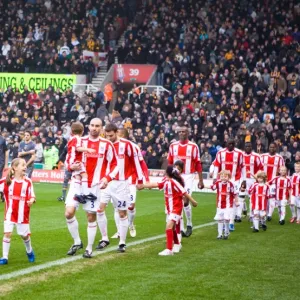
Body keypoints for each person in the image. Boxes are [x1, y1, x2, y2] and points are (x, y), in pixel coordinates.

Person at [64, 118, 118, 258]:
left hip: (94, 186)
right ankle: (77, 242)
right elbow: (67, 160)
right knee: (69, 213)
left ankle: (88, 248)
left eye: (97, 126)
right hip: (76, 183)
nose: (94, 128)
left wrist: (107, 178)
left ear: (101, 128)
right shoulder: (79, 141)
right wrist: (71, 167)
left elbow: (115, 164)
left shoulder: (106, 144)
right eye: (92, 125)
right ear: (88, 127)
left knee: (90, 216)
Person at [96, 124, 144, 253]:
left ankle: (122, 243)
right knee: (99, 209)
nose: (109, 137)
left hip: (121, 184)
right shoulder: (104, 144)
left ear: (117, 132)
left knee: (122, 213)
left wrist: (140, 179)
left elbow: (136, 162)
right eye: (107, 135)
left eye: (111, 135)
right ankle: (104, 238)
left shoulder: (127, 145)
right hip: (106, 182)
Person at [137, 165, 198, 256]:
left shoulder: (174, 182)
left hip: (176, 208)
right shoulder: (165, 181)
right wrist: (143, 186)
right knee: (172, 228)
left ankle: (169, 249)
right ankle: (177, 244)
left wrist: (193, 201)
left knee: (168, 227)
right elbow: (155, 184)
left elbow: (184, 192)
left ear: (168, 173)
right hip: (170, 208)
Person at [110, 128, 149, 238]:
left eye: (119, 134)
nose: (116, 136)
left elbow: (141, 163)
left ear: (125, 136)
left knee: (130, 206)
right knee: (117, 208)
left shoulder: (133, 146)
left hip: (130, 180)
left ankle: (131, 224)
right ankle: (119, 231)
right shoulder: (111, 146)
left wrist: (145, 179)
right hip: (115, 180)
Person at [168, 124, 204, 237]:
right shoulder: (173, 146)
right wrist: (168, 176)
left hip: (188, 176)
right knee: (177, 201)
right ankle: (181, 228)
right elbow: (169, 162)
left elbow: (198, 164)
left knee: (185, 200)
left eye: (184, 131)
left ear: (188, 133)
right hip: (176, 176)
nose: (181, 133)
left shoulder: (193, 146)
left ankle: (189, 224)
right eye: (180, 131)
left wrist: (201, 180)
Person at [0, 158, 36, 265]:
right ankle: (5, 257)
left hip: (22, 214)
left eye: (25, 165)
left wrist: (31, 200)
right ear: (15, 168)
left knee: (24, 235)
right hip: (9, 214)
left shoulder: (27, 182)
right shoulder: (6, 181)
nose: (25, 167)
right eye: (23, 165)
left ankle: (29, 251)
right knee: (7, 233)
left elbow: (32, 196)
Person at [213, 139, 244, 231]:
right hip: (223, 179)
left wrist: (244, 180)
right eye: (229, 144)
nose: (230, 145)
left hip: (235, 179)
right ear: (226, 144)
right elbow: (216, 165)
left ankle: (231, 222)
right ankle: (222, 220)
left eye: (232, 144)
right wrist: (215, 177)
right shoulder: (220, 153)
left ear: (235, 144)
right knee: (221, 199)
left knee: (234, 200)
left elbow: (242, 166)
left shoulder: (239, 153)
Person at [65, 122, 97, 202]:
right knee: (84, 175)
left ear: (71, 131)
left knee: (78, 177)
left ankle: (78, 194)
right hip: (77, 160)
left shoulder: (71, 139)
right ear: (82, 131)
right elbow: (78, 148)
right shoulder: (78, 138)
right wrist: (88, 149)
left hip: (71, 161)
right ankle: (86, 193)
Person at [209, 170, 239, 239]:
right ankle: (219, 234)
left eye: (225, 176)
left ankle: (226, 232)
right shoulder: (218, 183)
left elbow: (235, 194)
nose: (223, 177)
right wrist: (203, 186)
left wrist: (237, 202)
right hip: (219, 205)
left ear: (229, 177)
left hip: (228, 205)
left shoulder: (231, 184)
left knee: (226, 219)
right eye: (222, 176)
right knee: (220, 219)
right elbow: (212, 187)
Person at [239, 142, 263, 221]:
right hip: (242, 179)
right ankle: (238, 215)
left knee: (251, 198)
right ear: (244, 147)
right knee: (241, 196)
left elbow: (261, 168)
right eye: (246, 146)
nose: (248, 147)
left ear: (252, 147)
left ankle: (252, 215)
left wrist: (256, 177)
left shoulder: (256, 156)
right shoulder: (241, 155)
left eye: (249, 146)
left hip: (253, 180)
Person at [261, 143, 285, 221]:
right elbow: (259, 167)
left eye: (273, 147)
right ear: (268, 148)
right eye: (270, 147)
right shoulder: (263, 156)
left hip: (274, 183)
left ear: (276, 148)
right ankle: (266, 212)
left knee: (271, 199)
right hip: (264, 182)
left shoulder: (279, 157)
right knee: (264, 198)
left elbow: (282, 170)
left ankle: (269, 215)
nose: (271, 148)